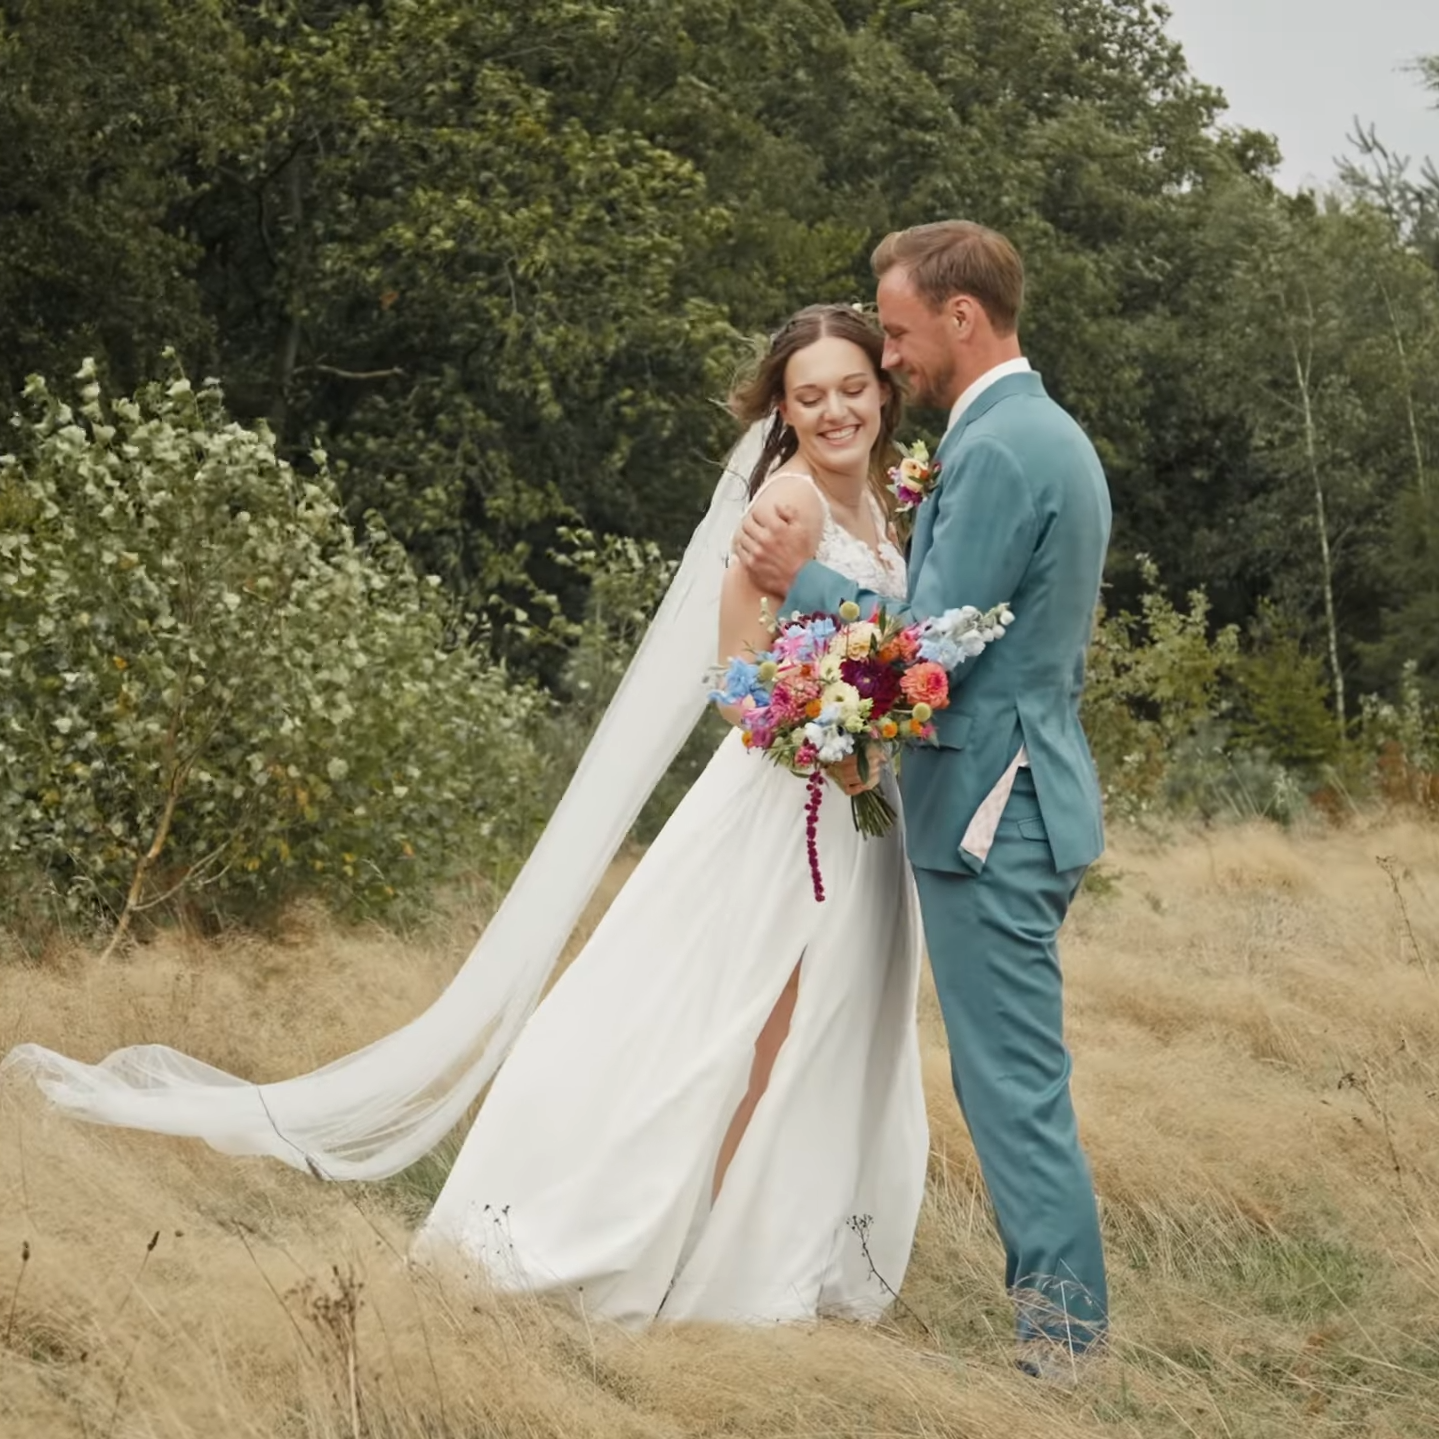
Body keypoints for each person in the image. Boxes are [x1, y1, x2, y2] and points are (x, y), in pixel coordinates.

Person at [5, 305, 930, 1327]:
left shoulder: (889, 499)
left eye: (852, 386)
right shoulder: (786, 507)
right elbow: (732, 678)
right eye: (810, 394)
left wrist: (875, 723)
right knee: (727, 1023)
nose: (835, 408)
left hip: (857, 803)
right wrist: (822, 727)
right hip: (782, 805)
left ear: (881, 389)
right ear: (781, 409)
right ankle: (680, 1247)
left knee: (820, 1025)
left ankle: (763, 1242)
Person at [736, 221, 1112, 1375]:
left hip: (995, 804)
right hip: (1015, 785)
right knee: (1008, 1068)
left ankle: (1060, 1339)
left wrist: (789, 578)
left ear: (959, 317)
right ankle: (1061, 1324)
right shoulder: (1027, 431)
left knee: (1008, 1078)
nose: (887, 355)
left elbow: (929, 645)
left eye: (894, 331)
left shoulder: (998, 449)